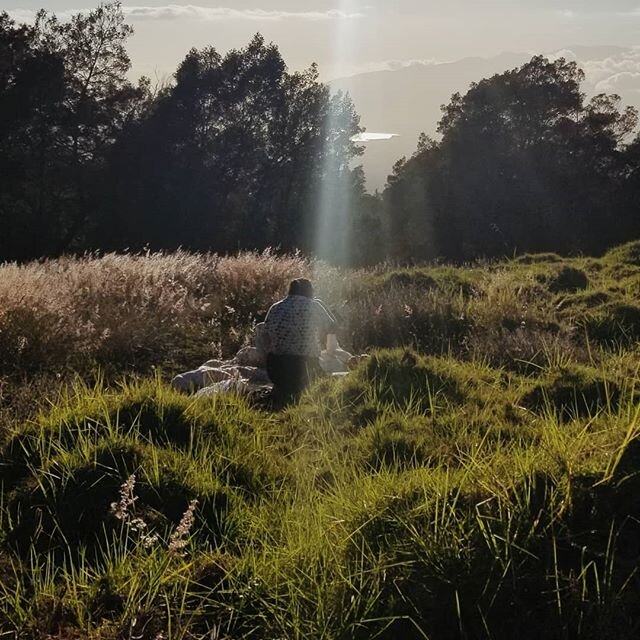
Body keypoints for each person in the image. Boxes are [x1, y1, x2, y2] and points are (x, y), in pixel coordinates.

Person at [263, 278, 337, 401]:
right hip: (305, 369)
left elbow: (265, 336)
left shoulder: (275, 308)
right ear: (309, 292)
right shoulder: (314, 305)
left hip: (276, 370)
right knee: (331, 370)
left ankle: (283, 389)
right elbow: (333, 327)